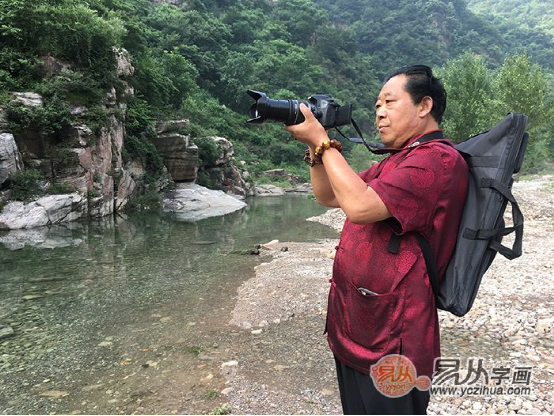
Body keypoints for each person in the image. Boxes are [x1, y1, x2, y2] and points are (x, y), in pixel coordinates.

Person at [285, 65, 469, 415]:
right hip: (358, 327)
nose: (380, 113)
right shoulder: (400, 160)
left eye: (389, 102)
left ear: (424, 106)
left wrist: (322, 139)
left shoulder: (436, 160)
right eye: (376, 107)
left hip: (393, 339)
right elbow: (329, 196)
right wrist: (315, 149)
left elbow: (358, 206)